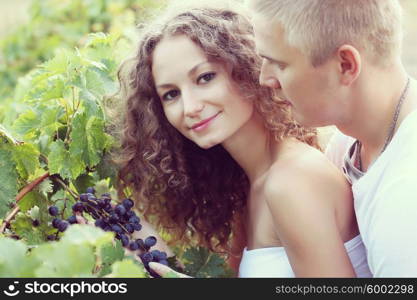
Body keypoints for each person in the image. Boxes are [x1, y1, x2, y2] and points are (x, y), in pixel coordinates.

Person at [112, 0, 371, 277]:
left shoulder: (291, 181)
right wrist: (133, 237)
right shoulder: (252, 185)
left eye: (205, 77)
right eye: (171, 94)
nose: (190, 107)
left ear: (247, 68)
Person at [248, 0, 417, 277]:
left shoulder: (407, 200)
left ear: (346, 65)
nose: (265, 78)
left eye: (278, 64)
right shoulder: (348, 142)